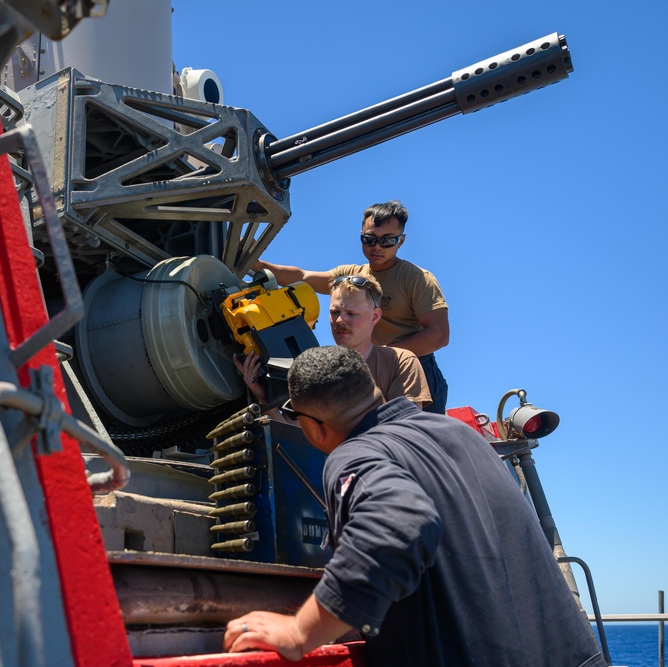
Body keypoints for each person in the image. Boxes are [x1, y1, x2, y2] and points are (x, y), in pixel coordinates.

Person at [223, 346, 605, 666]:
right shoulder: (460, 435)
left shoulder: (354, 455)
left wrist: (299, 632)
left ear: (315, 428)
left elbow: (399, 526)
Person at [255, 200, 450, 414]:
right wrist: (253, 263)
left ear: (401, 241)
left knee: (414, 441)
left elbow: (439, 334)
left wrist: (384, 356)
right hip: (367, 371)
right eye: (369, 239)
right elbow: (302, 277)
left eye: (387, 241)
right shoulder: (352, 275)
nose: (377, 247)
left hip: (414, 370)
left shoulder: (416, 278)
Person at [234, 274, 430, 408]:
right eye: (334, 312)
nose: (340, 321)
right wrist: (261, 394)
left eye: (351, 314)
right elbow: (299, 436)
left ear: (375, 316)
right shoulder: (318, 369)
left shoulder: (400, 362)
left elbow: (407, 433)